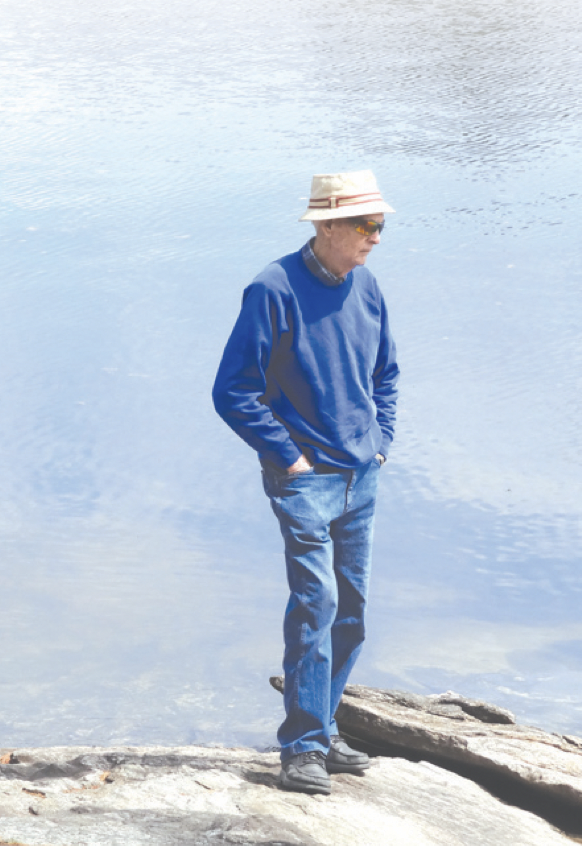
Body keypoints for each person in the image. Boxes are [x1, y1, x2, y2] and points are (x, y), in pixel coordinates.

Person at [212, 170, 399, 795]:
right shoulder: (273, 288)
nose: (377, 236)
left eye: (381, 224)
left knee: (353, 612)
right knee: (314, 606)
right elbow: (232, 390)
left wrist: (381, 443)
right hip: (305, 481)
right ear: (325, 227)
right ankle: (301, 748)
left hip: (359, 475)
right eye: (366, 225)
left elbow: (387, 374)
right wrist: (288, 458)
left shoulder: (366, 285)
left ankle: (324, 724)